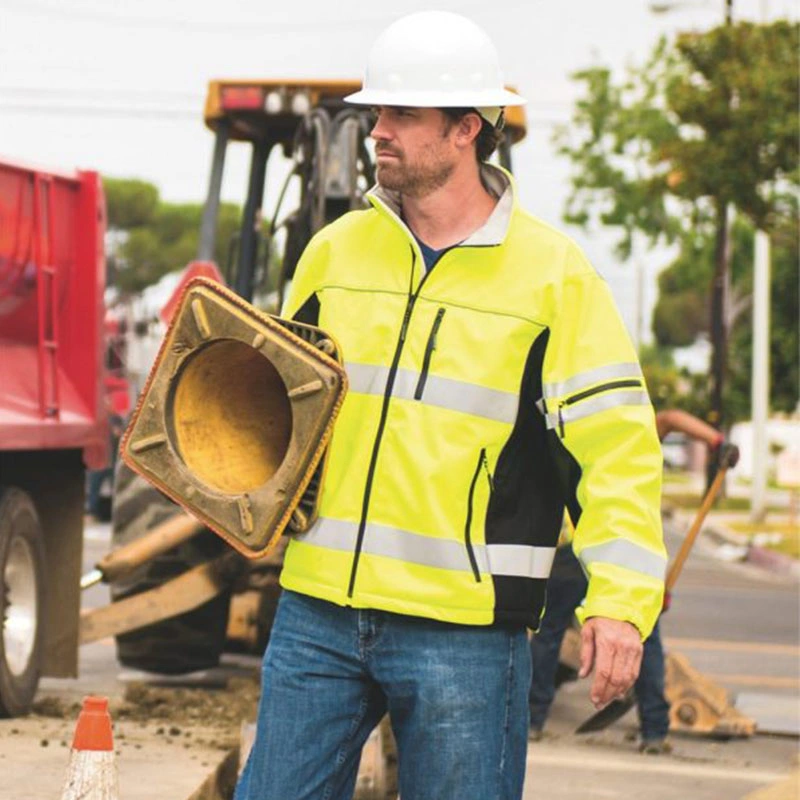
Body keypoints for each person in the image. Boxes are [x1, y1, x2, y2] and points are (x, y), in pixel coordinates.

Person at [235, 11, 666, 800]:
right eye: (377, 113)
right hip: (318, 614)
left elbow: (618, 456)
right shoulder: (333, 252)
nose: (378, 131)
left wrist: (621, 605)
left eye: (402, 114)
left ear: (467, 127)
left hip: (464, 632)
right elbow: (276, 412)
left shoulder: (555, 279)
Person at [529, 409, 739, 754]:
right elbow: (671, 417)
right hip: (623, 547)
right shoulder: (628, 428)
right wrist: (716, 441)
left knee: (547, 633)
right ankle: (654, 731)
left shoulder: (578, 424)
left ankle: (532, 719)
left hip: (576, 545)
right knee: (643, 636)